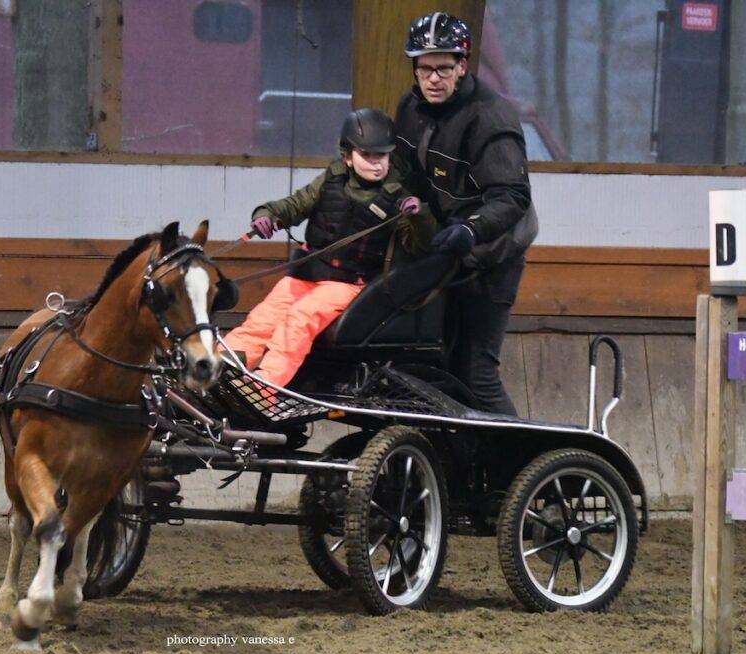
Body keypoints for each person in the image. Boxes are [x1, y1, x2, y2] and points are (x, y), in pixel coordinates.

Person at [222, 108, 436, 388]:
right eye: (367, 155)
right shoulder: (331, 179)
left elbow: (423, 246)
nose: (376, 164)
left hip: (347, 284)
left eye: (382, 156)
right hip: (307, 274)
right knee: (263, 318)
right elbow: (296, 204)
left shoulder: (398, 198)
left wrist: (420, 217)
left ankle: (264, 388)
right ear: (348, 156)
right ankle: (220, 369)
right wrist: (267, 215)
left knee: (298, 321)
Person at [392, 11, 538, 415]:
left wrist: (471, 230)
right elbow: (404, 172)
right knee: (436, 365)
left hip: (494, 251)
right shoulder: (410, 107)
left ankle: (516, 452)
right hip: (446, 245)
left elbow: (512, 196)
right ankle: (458, 450)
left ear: (462, 65)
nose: (433, 78)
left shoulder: (490, 117)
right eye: (424, 68)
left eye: (443, 68)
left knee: (476, 372)